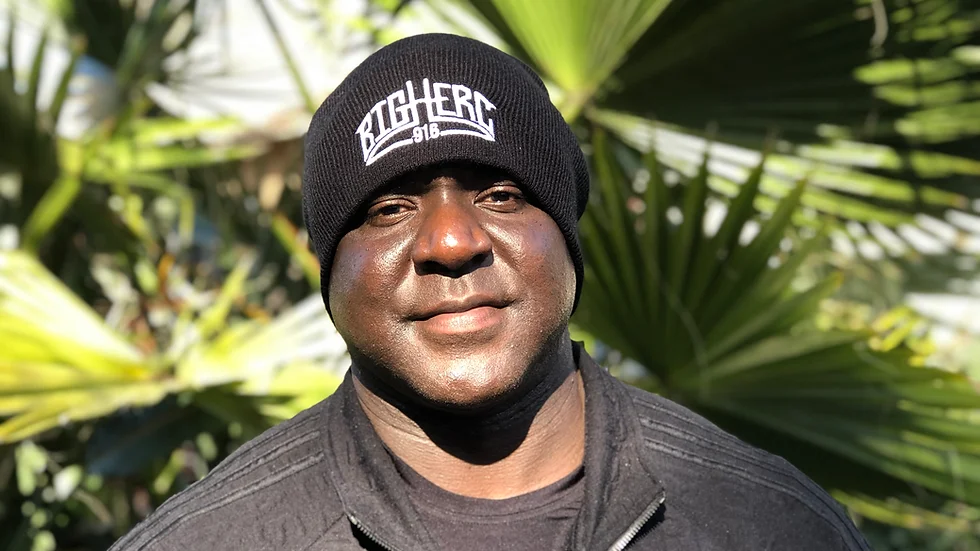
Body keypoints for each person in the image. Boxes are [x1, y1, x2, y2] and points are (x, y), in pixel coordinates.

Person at [109, 33, 871, 551]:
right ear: (331, 269)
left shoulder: (768, 523)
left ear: (566, 235)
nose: (451, 241)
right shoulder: (212, 539)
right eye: (389, 208)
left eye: (502, 195)